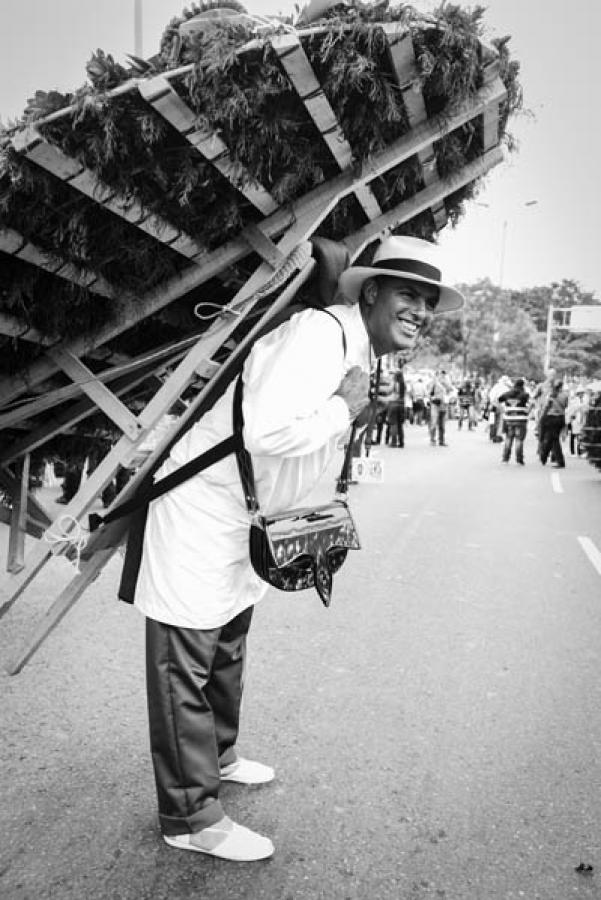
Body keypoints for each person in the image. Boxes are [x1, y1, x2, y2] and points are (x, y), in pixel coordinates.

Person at [133, 235, 464, 862]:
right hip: (203, 509)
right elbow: (266, 430)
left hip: (249, 514)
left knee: (228, 637)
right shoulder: (318, 336)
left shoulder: (355, 343)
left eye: (428, 299)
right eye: (408, 295)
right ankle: (189, 814)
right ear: (370, 292)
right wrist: (344, 408)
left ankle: (219, 755)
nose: (420, 310)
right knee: (187, 655)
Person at [497, 377, 531, 464]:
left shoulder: (507, 394)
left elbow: (497, 400)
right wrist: (528, 411)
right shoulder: (525, 395)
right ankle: (519, 459)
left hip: (509, 419)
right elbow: (532, 403)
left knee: (508, 438)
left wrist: (503, 410)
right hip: (521, 419)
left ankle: (505, 458)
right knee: (519, 439)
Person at [539, 378, 569, 468]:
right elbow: (566, 406)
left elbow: (546, 406)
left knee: (552, 439)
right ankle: (544, 457)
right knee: (552, 438)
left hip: (550, 418)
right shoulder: (565, 395)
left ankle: (557, 460)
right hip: (560, 418)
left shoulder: (551, 395)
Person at [428, 369, 451, 446]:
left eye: (444, 374)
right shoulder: (434, 383)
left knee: (442, 424)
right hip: (435, 405)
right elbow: (429, 393)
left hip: (443, 405)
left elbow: (450, 391)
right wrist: (433, 398)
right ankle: (432, 440)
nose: (443, 375)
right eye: (441, 374)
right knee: (434, 422)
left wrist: (447, 385)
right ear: (437, 375)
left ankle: (441, 441)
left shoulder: (446, 383)